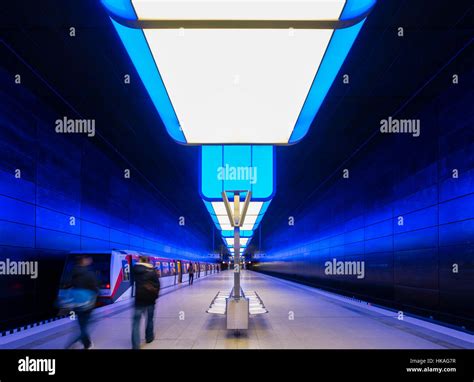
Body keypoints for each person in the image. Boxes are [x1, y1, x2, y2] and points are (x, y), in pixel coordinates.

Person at [68, 255, 99, 350]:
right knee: (85, 326)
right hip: (88, 304)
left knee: (82, 324)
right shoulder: (89, 274)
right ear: (83, 261)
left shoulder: (72, 273)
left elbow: (68, 287)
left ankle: (86, 344)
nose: (89, 261)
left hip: (76, 303)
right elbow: (95, 289)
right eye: (87, 259)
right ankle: (79, 344)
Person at [132, 256, 160, 349]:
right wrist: (155, 297)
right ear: (148, 261)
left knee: (136, 323)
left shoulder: (135, 270)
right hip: (150, 300)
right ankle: (149, 338)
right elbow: (158, 285)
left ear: (140, 260)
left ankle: (135, 345)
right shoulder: (152, 271)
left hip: (139, 300)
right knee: (149, 319)